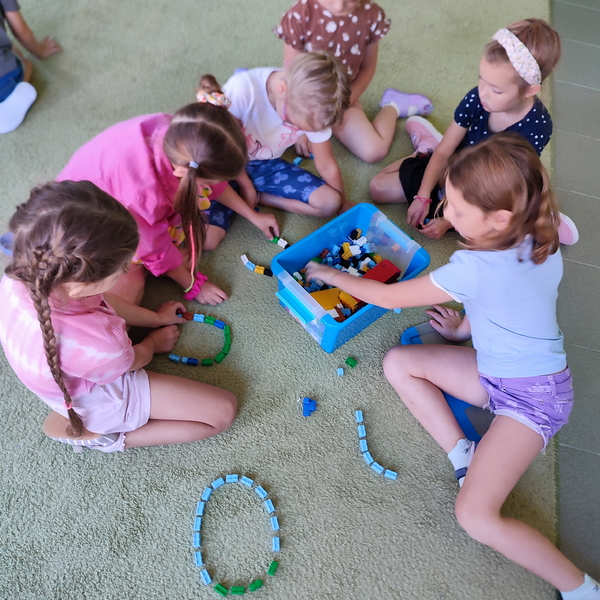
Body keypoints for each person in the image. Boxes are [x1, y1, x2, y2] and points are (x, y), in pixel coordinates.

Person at [305, 134, 597, 599]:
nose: (446, 212)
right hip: (498, 370)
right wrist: (463, 330)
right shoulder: (540, 227)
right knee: (399, 363)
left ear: (500, 218)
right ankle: (464, 453)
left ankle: (580, 588)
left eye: (458, 208)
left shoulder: (472, 267)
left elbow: (385, 297)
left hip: (535, 400)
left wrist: (331, 274)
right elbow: (512, 299)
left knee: (474, 516)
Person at [0, 181, 236, 453]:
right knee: (223, 411)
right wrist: (152, 344)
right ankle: (107, 438)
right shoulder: (103, 344)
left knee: (128, 293)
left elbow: (103, 300)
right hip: (94, 398)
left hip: (64, 372)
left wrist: (157, 319)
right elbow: (133, 360)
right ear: (83, 285)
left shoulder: (18, 276)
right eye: (123, 267)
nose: (128, 268)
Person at [57, 80, 278, 307]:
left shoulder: (188, 135)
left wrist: (252, 215)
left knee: (207, 238)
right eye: (210, 182)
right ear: (184, 173)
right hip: (89, 227)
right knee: (126, 294)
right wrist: (193, 284)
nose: (215, 185)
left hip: (128, 197)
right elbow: (152, 246)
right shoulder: (145, 197)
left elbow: (213, 182)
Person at [370, 18, 579, 245]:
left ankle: (539, 217)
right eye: (481, 79)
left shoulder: (536, 127)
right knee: (378, 188)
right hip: (458, 167)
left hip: (490, 191)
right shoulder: (477, 98)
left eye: (496, 90)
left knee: (498, 234)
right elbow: (445, 151)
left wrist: (448, 221)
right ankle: (428, 147)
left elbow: (500, 189)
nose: (483, 93)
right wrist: (423, 196)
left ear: (530, 90)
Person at [273, 0, 432, 163]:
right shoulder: (300, 15)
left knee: (374, 151)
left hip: (343, 99)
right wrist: (302, 129)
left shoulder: (370, 14)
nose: (339, 6)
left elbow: (367, 68)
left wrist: (340, 104)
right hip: (303, 101)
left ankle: (393, 105)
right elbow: (291, 75)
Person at [222, 51, 352, 217]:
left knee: (330, 202)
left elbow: (326, 165)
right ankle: (239, 193)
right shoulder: (241, 91)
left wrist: (342, 204)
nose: (295, 130)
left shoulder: (319, 110)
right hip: (226, 161)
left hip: (266, 164)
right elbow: (223, 150)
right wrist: (247, 188)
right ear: (282, 90)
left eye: (303, 130)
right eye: (292, 123)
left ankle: (262, 197)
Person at [0, 0, 61, 133]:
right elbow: (22, 32)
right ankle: (19, 87)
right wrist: (41, 51)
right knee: (25, 62)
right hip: (4, 81)